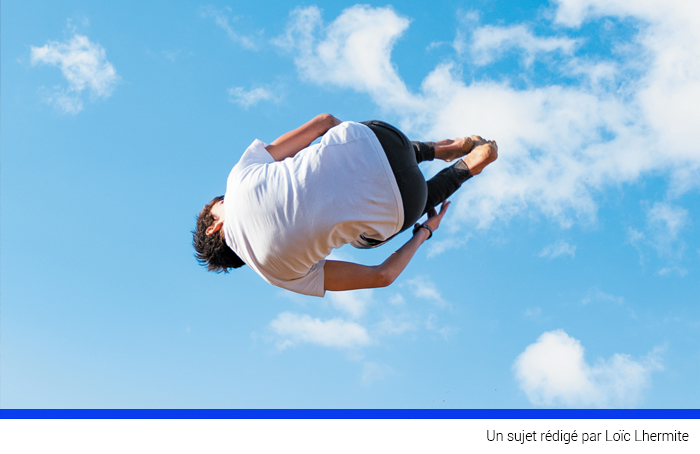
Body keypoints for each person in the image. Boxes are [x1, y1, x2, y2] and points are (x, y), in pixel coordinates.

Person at [193, 114, 497, 297]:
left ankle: (464, 169)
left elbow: (382, 276)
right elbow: (324, 123)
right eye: (219, 201)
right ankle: (436, 149)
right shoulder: (237, 178)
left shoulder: (279, 275)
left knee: (364, 239)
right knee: (364, 151)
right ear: (214, 226)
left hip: (406, 201)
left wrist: (425, 232)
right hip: (385, 138)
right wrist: (353, 142)